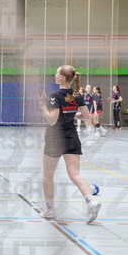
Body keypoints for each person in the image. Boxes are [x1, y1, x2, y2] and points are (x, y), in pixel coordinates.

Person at [37, 65, 101, 223]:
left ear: (61, 77)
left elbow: (52, 120)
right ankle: (91, 202)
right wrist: (70, 114)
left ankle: (50, 210)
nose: (55, 74)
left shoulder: (55, 96)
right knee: (75, 174)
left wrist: (42, 105)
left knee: (48, 175)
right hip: (71, 137)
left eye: (57, 72)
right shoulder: (76, 95)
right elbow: (86, 116)